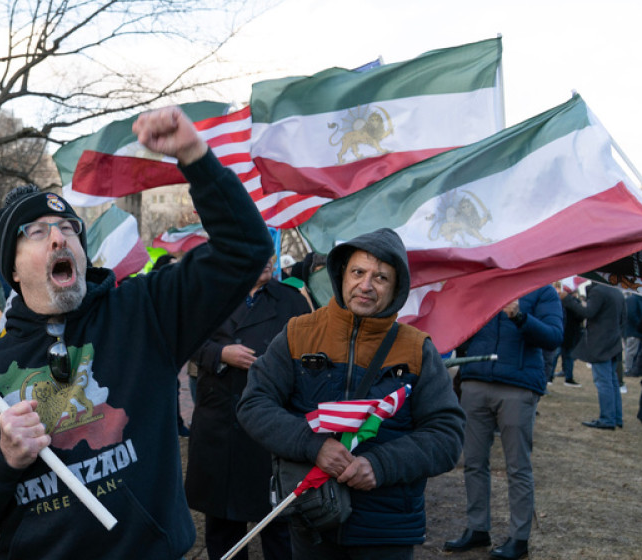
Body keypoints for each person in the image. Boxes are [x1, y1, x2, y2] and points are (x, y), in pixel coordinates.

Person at [0, 107, 273, 559]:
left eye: (68, 229)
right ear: (12, 268)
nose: (58, 239)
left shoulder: (142, 313)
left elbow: (245, 250)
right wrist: (4, 459)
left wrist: (195, 156)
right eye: (35, 233)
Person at [237, 228, 465, 560]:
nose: (366, 285)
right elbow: (254, 404)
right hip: (313, 518)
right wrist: (312, 445)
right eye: (358, 272)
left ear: (397, 287)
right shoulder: (298, 334)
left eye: (381, 277)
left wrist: (380, 465)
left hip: (387, 529)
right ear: (342, 275)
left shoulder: (418, 349)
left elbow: (446, 436)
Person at [187, 255, 310, 560]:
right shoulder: (210, 295)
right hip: (220, 420)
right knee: (223, 519)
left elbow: (311, 352)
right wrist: (219, 353)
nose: (267, 259)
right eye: (259, 251)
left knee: (277, 518)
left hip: (272, 421)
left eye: (270, 252)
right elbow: (184, 339)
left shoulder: (291, 300)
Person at [443, 286, 562, 560]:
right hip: (475, 382)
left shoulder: (543, 290)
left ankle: (519, 538)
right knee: (473, 461)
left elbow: (553, 338)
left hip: (517, 388)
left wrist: (520, 316)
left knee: (518, 466)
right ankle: (477, 529)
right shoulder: (487, 283)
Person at [568, 282, 625, 429]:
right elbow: (623, 319)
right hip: (613, 342)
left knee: (604, 382)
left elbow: (588, 313)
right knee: (612, 382)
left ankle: (607, 419)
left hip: (600, 343)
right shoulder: (616, 291)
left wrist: (567, 300)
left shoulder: (599, 291)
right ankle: (616, 417)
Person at [555, 281, 584, 386]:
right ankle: (568, 377)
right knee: (568, 356)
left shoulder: (558, 301)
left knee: (557, 354)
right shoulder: (574, 302)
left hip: (561, 330)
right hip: (570, 332)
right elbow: (580, 316)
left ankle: (549, 377)